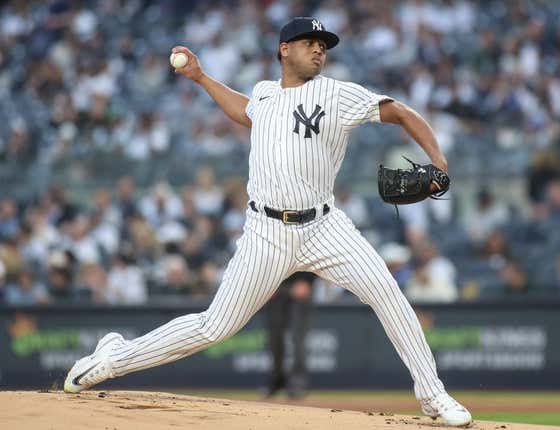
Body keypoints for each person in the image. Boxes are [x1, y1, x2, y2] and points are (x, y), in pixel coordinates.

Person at [63, 17, 471, 426]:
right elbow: (245, 110)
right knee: (214, 327)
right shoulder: (264, 94)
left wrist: (439, 161)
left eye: (323, 45)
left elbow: (398, 112)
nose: (319, 49)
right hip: (266, 232)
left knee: (388, 295)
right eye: (309, 42)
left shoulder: (337, 94)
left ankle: (434, 396)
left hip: (324, 228)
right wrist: (201, 77)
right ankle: (112, 358)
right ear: (284, 49)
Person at [263, 272, 315, 399]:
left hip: (300, 282)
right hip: (276, 285)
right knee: (274, 339)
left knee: (298, 338)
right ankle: (276, 380)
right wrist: (266, 283)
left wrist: (307, 280)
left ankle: (298, 383)